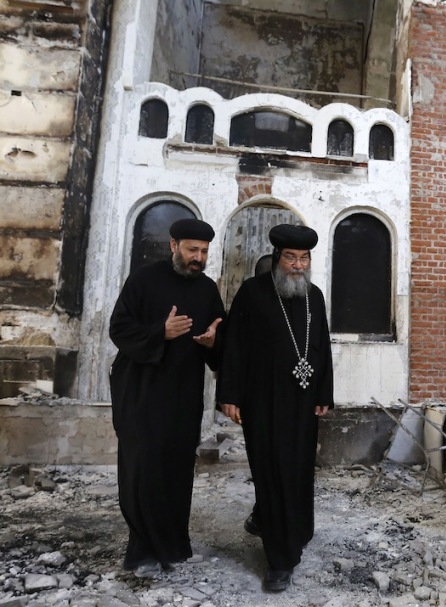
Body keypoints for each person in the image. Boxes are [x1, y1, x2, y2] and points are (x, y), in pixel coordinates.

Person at [217, 224, 333, 593]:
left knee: (297, 468)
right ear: (276, 259)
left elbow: (323, 347)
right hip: (262, 399)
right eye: (291, 258)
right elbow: (234, 346)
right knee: (271, 468)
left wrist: (324, 393)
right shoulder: (252, 293)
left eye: (304, 259)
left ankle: (283, 524)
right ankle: (279, 561)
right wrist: (230, 395)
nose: (298, 265)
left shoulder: (315, 296)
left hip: (302, 400)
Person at [108, 218, 225, 577]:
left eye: (204, 252)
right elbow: (119, 328)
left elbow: (221, 340)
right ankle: (141, 549)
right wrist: (161, 331)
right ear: (173, 246)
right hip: (140, 393)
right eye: (192, 250)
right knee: (142, 470)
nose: (198, 258)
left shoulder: (207, 289)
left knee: (176, 469)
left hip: (183, 396)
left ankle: (174, 544)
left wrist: (213, 342)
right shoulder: (143, 279)